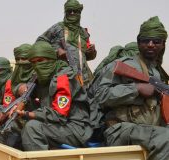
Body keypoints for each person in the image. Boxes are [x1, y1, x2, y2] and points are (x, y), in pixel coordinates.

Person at [93, 16, 169, 160]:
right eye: (146, 40)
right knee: (167, 139)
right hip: (120, 129)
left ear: (163, 44)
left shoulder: (158, 72)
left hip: (148, 130)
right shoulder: (123, 65)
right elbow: (100, 96)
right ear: (139, 42)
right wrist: (136, 88)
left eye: (156, 41)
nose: (151, 44)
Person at [19, 41, 91, 151]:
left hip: (75, 128)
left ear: (51, 59)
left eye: (40, 60)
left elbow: (59, 115)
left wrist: (27, 114)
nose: (37, 65)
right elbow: (25, 94)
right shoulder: (41, 79)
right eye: (34, 62)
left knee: (32, 127)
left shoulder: (64, 77)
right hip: (56, 124)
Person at [36, 0, 96, 87]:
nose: (72, 13)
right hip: (62, 73)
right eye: (69, 11)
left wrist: (92, 52)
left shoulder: (83, 32)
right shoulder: (58, 27)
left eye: (75, 11)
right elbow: (40, 42)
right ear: (65, 12)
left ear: (79, 13)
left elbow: (86, 56)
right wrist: (56, 51)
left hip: (83, 77)